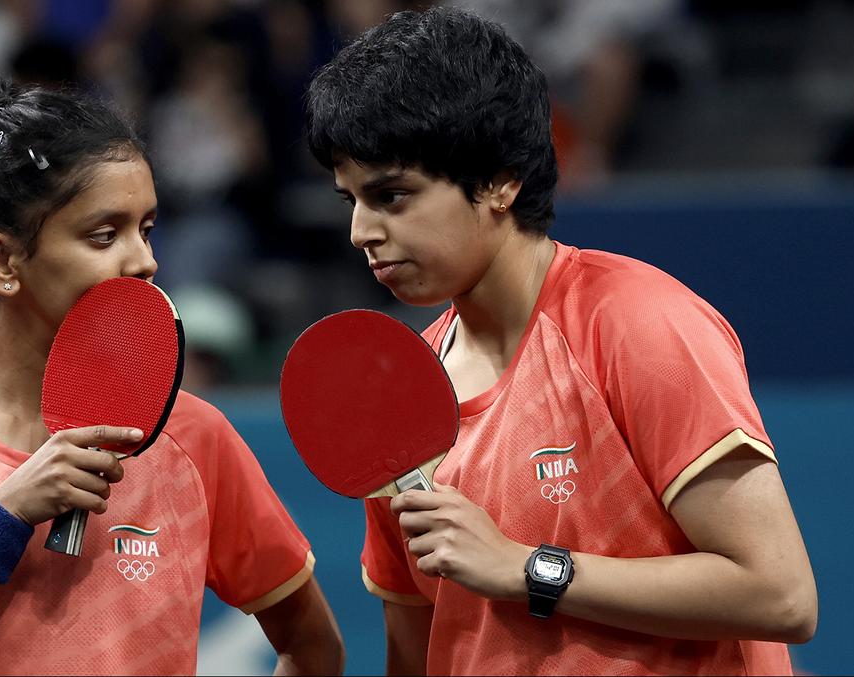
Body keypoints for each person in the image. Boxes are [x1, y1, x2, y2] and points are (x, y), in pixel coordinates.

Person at [304, 7, 816, 676]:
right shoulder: (400, 395)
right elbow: (418, 645)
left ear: (498, 181)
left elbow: (780, 592)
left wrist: (528, 568)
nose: (360, 231)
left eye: (392, 196)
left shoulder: (636, 323)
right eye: (351, 201)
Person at [0, 75, 344, 676]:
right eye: (103, 235)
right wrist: (4, 518)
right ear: (2, 261)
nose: (144, 260)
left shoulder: (194, 437)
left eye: (146, 229)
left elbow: (312, 645)